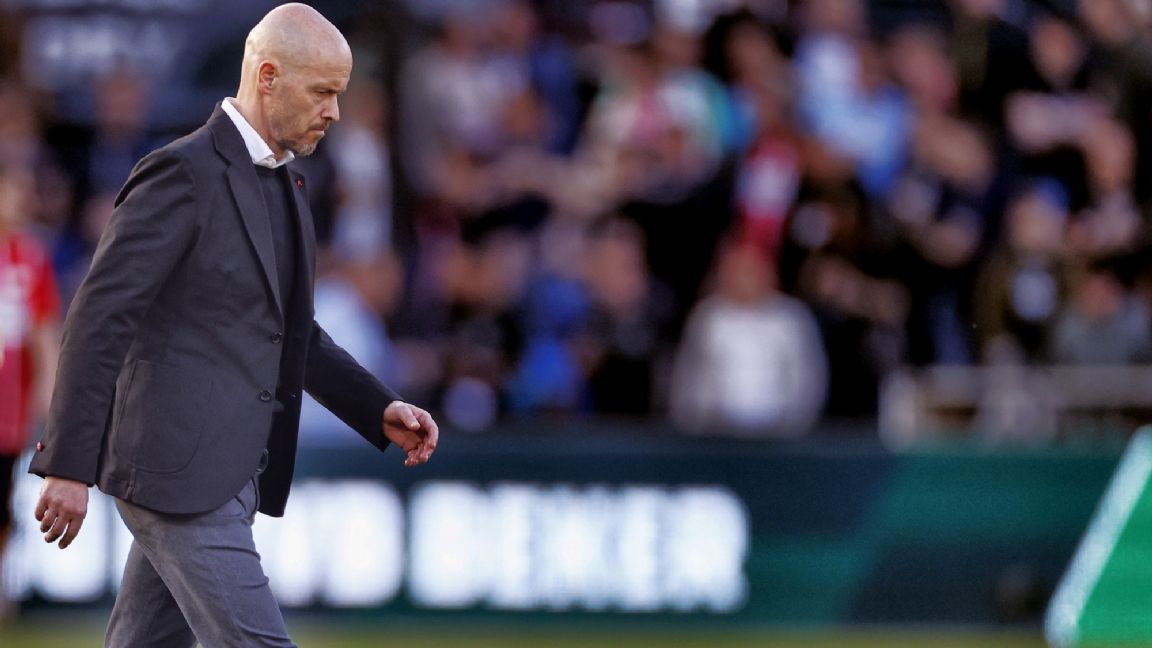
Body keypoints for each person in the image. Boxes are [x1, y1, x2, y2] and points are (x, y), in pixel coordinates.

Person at [26, 4, 439, 646]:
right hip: (173, 473)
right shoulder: (181, 172)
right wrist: (68, 464)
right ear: (268, 76)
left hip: (228, 473)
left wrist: (375, 407)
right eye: (322, 92)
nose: (334, 112)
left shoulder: (289, 184)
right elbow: (99, 317)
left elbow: (293, 333)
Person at [0, 163, 61, 620]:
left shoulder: (31, 257)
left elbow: (43, 329)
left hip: (7, 408)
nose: (21, 202)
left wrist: (48, 389)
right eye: (12, 192)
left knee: (3, 499)